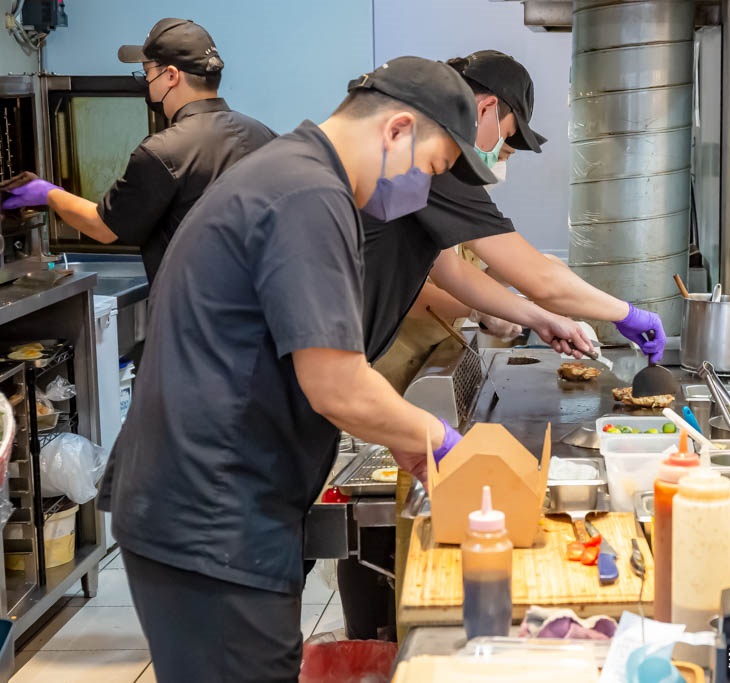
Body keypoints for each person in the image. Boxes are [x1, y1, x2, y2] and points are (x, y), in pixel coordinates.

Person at [100, 56, 497, 682]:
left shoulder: (290, 173)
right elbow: (336, 382)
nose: (424, 189)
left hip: (208, 503)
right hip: (212, 518)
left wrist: (408, 438)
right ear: (396, 130)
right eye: (432, 168)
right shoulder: (310, 194)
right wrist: (439, 441)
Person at [355, 50, 666, 643]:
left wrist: (536, 317)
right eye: (511, 140)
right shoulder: (433, 158)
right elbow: (538, 273)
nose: (505, 155)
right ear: (487, 108)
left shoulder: (420, 160)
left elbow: (448, 268)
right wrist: (625, 312)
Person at [0, 18, 275, 283]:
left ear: (170, 76)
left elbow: (102, 227)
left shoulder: (164, 152)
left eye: (147, 74)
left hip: (194, 317)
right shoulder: (263, 135)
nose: (146, 85)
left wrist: (47, 193)